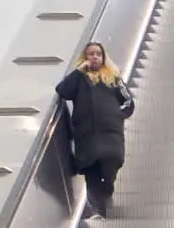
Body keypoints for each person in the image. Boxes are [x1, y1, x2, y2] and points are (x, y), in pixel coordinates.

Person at [56, 41, 135, 218]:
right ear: (85, 57)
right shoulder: (79, 79)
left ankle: (106, 197)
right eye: (91, 54)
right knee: (91, 170)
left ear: (103, 57)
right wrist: (79, 71)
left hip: (110, 134)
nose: (95, 57)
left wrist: (117, 116)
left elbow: (129, 102)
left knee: (110, 165)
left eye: (98, 54)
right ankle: (99, 209)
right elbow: (62, 90)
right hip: (87, 136)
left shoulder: (113, 78)